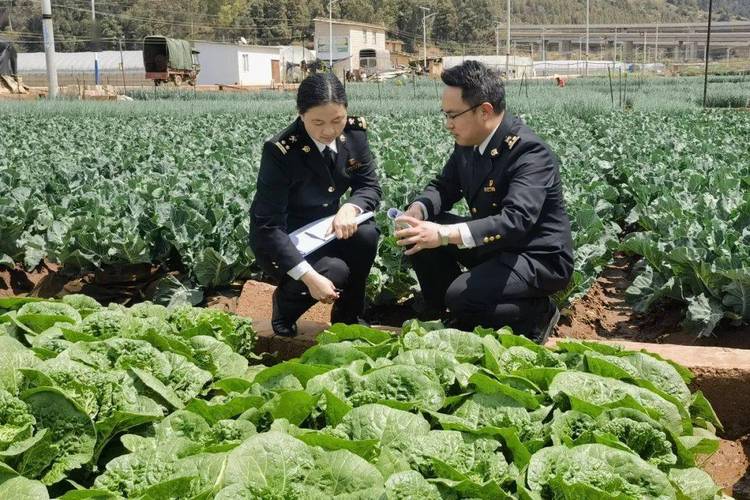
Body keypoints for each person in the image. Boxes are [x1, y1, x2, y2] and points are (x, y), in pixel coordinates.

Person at [395, 60, 573, 344]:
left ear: (484, 111)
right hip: (496, 244)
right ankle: (448, 312)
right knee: (418, 231)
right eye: (445, 115)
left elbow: (515, 220)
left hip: (535, 256)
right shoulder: (469, 141)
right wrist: (420, 209)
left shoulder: (528, 152)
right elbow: (445, 186)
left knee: (461, 295)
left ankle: (537, 313)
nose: (447, 124)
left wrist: (442, 235)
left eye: (453, 115)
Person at [249, 73, 382, 337]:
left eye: (337, 120)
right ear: (301, 115)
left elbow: (369, 186)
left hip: (325, 228)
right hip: (285, 238)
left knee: (367, 234)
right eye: (317, 122)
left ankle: (349, 314)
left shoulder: (354, 135)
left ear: (346, 111)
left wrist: (350, 208)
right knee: (334, 271)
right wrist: (309, 277)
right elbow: (268, 225)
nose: (329, 131)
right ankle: (285, 306)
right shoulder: (281, 151)